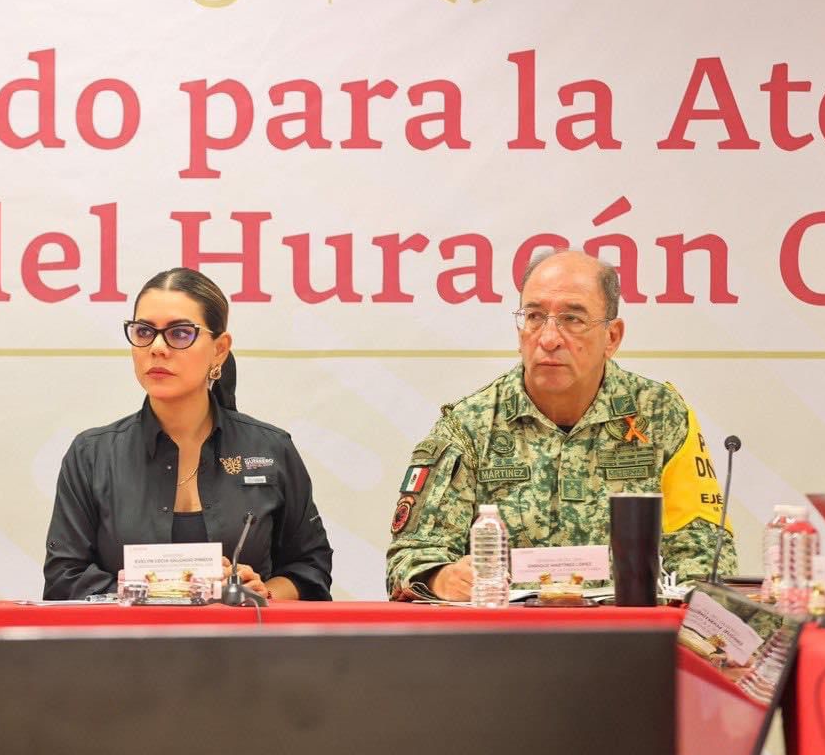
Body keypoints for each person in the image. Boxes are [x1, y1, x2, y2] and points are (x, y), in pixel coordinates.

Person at [386, 249, 736, 601]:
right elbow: (410, 559)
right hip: (505, 632)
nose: (548, 338)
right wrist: (442, 578)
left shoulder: (660, 414)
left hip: (626, 630)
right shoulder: (470, 425)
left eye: (572, 319)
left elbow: (705, 555)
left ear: (612, 337)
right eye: (535, 317)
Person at [43, 267, 333, 601]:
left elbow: (310, 568)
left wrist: (261, 593)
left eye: (180, 333)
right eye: (144, 331)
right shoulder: (92, 455)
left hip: (244, 636)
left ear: (219, 349)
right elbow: (63, 579)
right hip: (126, 637)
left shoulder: (270, 449)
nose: (157, 347)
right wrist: (158, 592)